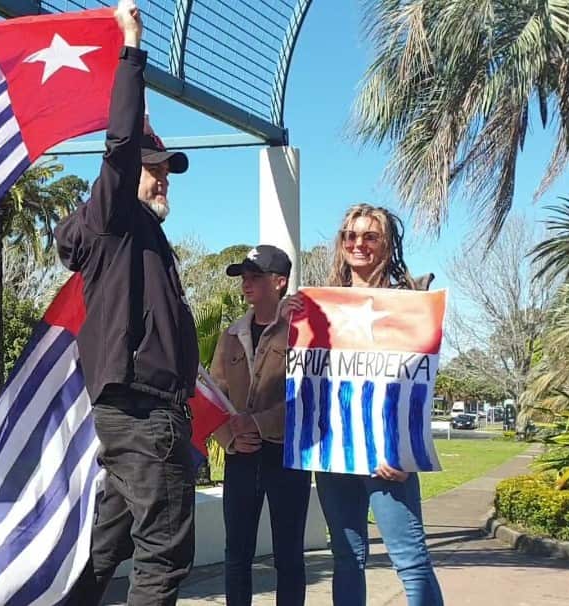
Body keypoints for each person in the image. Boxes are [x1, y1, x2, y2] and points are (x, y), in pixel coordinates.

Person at [55, 2, 199, 604]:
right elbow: (118, 146)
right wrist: (132, 48)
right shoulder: (114, 220)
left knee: (104, 550)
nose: (162, 177)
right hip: (143, 416)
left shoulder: (143, 236)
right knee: (163, 556)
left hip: (140, 418)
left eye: (166, 169)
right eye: (152, 167)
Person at [315, 203, 443, 606]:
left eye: (370, 236)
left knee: (411, 560)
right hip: (334, 454)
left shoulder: (408, 305)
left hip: (388, 459)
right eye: (350, 235)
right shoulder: (322, 307)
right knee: (346, 559)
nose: (359, 244)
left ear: (387, 245)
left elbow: (418, 385)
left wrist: (405, 452)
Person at [209, 244, 311, 606]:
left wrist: (256, 422)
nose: (246, 283)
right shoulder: (231, 335)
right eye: (243, 277)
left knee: (289, 555)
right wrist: (229, 439)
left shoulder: (301, 331)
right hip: (241, 457)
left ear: (280, 282)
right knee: (236, 553)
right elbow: (214, 393)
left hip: (286, 457)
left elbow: (307, 396)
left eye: (255, 277)